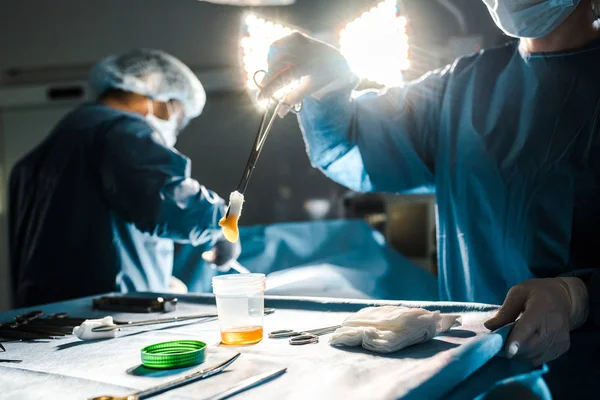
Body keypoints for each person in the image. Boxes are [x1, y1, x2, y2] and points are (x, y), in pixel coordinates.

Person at [259, 0, 600, 367]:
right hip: (471, 367)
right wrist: (327, 89)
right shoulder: (463, 87)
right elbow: (351, 144)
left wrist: (577, 297)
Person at [9, 49, 240, 307]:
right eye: (179, 117)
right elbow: (166, 200)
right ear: (161, 102)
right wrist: (223, 222)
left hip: (43, 318)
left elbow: (84, 240)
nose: (174, 127)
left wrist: (156, 282)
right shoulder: (121, 131)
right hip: (104, 317)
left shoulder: (35, 161)